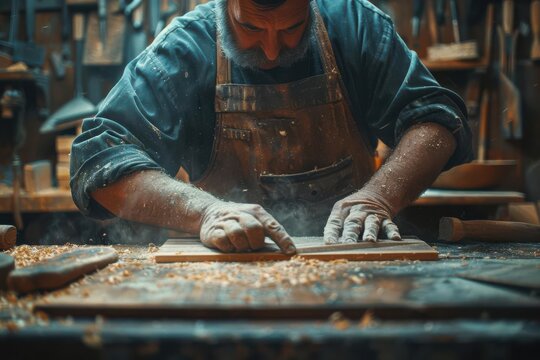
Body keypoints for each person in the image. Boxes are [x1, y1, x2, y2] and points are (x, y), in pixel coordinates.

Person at [70, 0, 472, 254]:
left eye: (292, 29)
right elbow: (97, 162)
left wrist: (378, 198)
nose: (271, 50)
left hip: (358, 255)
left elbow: (436, 119)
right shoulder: (185, 48)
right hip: (230, 270)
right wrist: (207, 211)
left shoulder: (355, 25)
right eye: (251, 29)